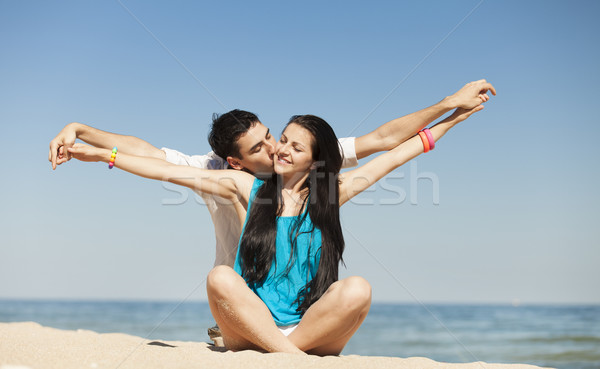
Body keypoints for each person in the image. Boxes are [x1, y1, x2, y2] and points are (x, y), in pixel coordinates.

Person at [64, 100, 488, 355]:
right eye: (279, 139)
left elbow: (397, 151)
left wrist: (456, 113)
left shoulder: (332, 191)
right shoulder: (244, 186)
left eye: (290, 144)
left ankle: (286, 354)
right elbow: (162, 169)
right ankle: (292, 358)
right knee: (220, 278)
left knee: (358, 288)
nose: (279, 148)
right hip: (250, 327)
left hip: (308, 327)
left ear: (315, 159)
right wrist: (99, 153)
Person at [49, 80, 496, 271]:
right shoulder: (220, 174)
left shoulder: (301, 159)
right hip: (238, 292)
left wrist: (449, 105)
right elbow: (147, 154)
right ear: (235, 162)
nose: (276, 148)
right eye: (261, 147)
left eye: (271, 135)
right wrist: (85, 136)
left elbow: (384, 141)